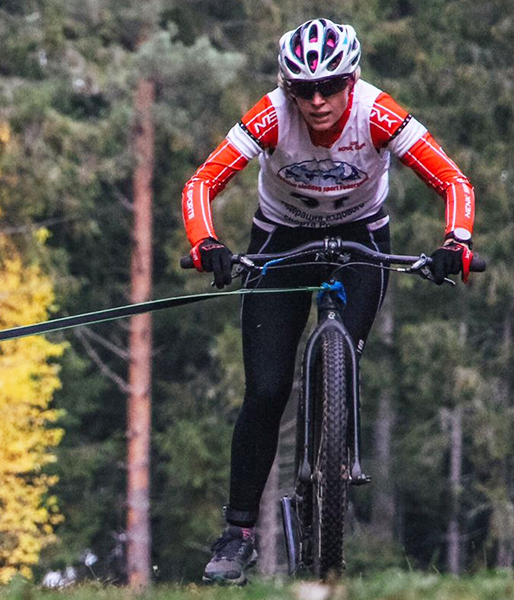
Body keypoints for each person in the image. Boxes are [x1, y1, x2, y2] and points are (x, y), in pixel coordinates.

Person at [181, 18, 476, 584]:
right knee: (266, 389)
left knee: (341, 358)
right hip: (280, 240)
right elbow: (201, 184)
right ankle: (238, 534)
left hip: (362, 238)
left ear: (352, 79)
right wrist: (207, 243)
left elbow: (453, 182)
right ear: (286, 87)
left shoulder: (378, 112)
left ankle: (332, 469)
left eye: (331, 86)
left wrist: (455, 243)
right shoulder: (270, 113)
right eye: (302, 89)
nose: (317, 101)